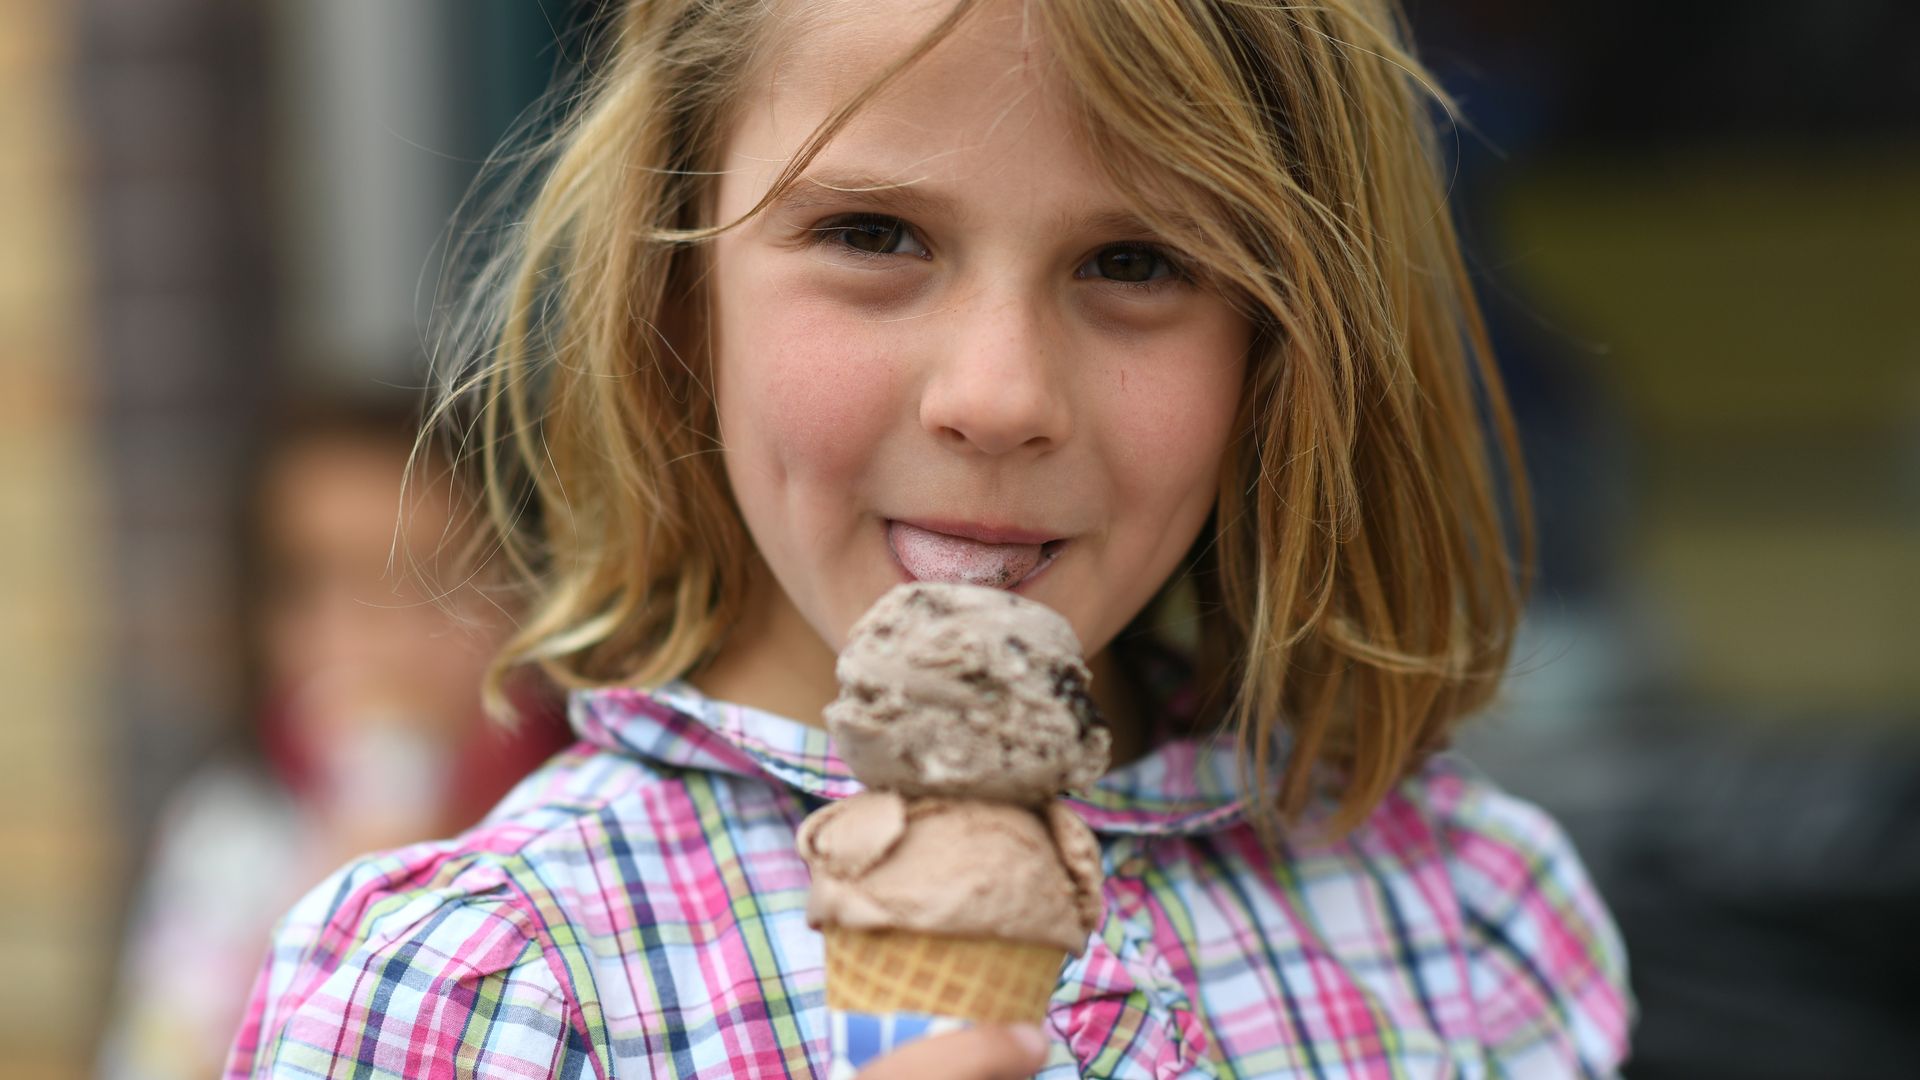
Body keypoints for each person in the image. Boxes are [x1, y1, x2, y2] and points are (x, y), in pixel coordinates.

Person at [226, 1, 1633, 1076]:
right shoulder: (478, 985)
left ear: (1282, 352)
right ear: (674, 291)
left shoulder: (1464, 913)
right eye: (877, 234)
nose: (1001, 397)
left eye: (1135, 263)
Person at [101, 399, 571, 1080]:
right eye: (322, 585)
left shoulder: (581, 820)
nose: (375, 640)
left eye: (430, 582)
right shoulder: (233, 837)